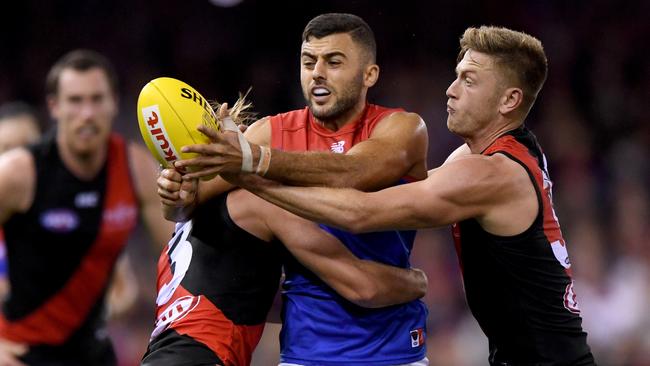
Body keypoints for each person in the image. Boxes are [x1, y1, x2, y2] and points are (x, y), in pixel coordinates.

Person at [223, 26, 596, 365]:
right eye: (456, 75)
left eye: (469, 80)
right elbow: (388, 192)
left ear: (509, 100)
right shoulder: (501, 154)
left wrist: (254, 175)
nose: (451, 89)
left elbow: (362, 213)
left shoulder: (489, 173)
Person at [159, 13, 430, 366]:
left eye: (333, 62)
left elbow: (355, 171)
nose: (317, 72)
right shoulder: (270, 132)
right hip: (306, 352)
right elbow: (189, 205)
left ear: (370, 74)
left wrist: (254, 162)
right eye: (308, 62)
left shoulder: (403, 128)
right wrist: (174, 192)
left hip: (394, 349)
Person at [0, 50, 173, 366]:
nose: (87, 113)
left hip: (94, 353)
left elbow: (179, 258)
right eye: (76, 100)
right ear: (54, 106)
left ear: (114, 103)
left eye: (97, 99)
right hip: (22, 354)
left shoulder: (136, 169)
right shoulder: (18, 173)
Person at [142, 184, 428, 366]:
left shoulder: (185, 229)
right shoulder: (258, 202)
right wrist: (416, 282)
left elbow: (249, 301)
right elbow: (362, 286)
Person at [0, 102, 43, 302]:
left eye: (26, 147)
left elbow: (123, 291)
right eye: (6, 149)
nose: (17, 159)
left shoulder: (78, 210)